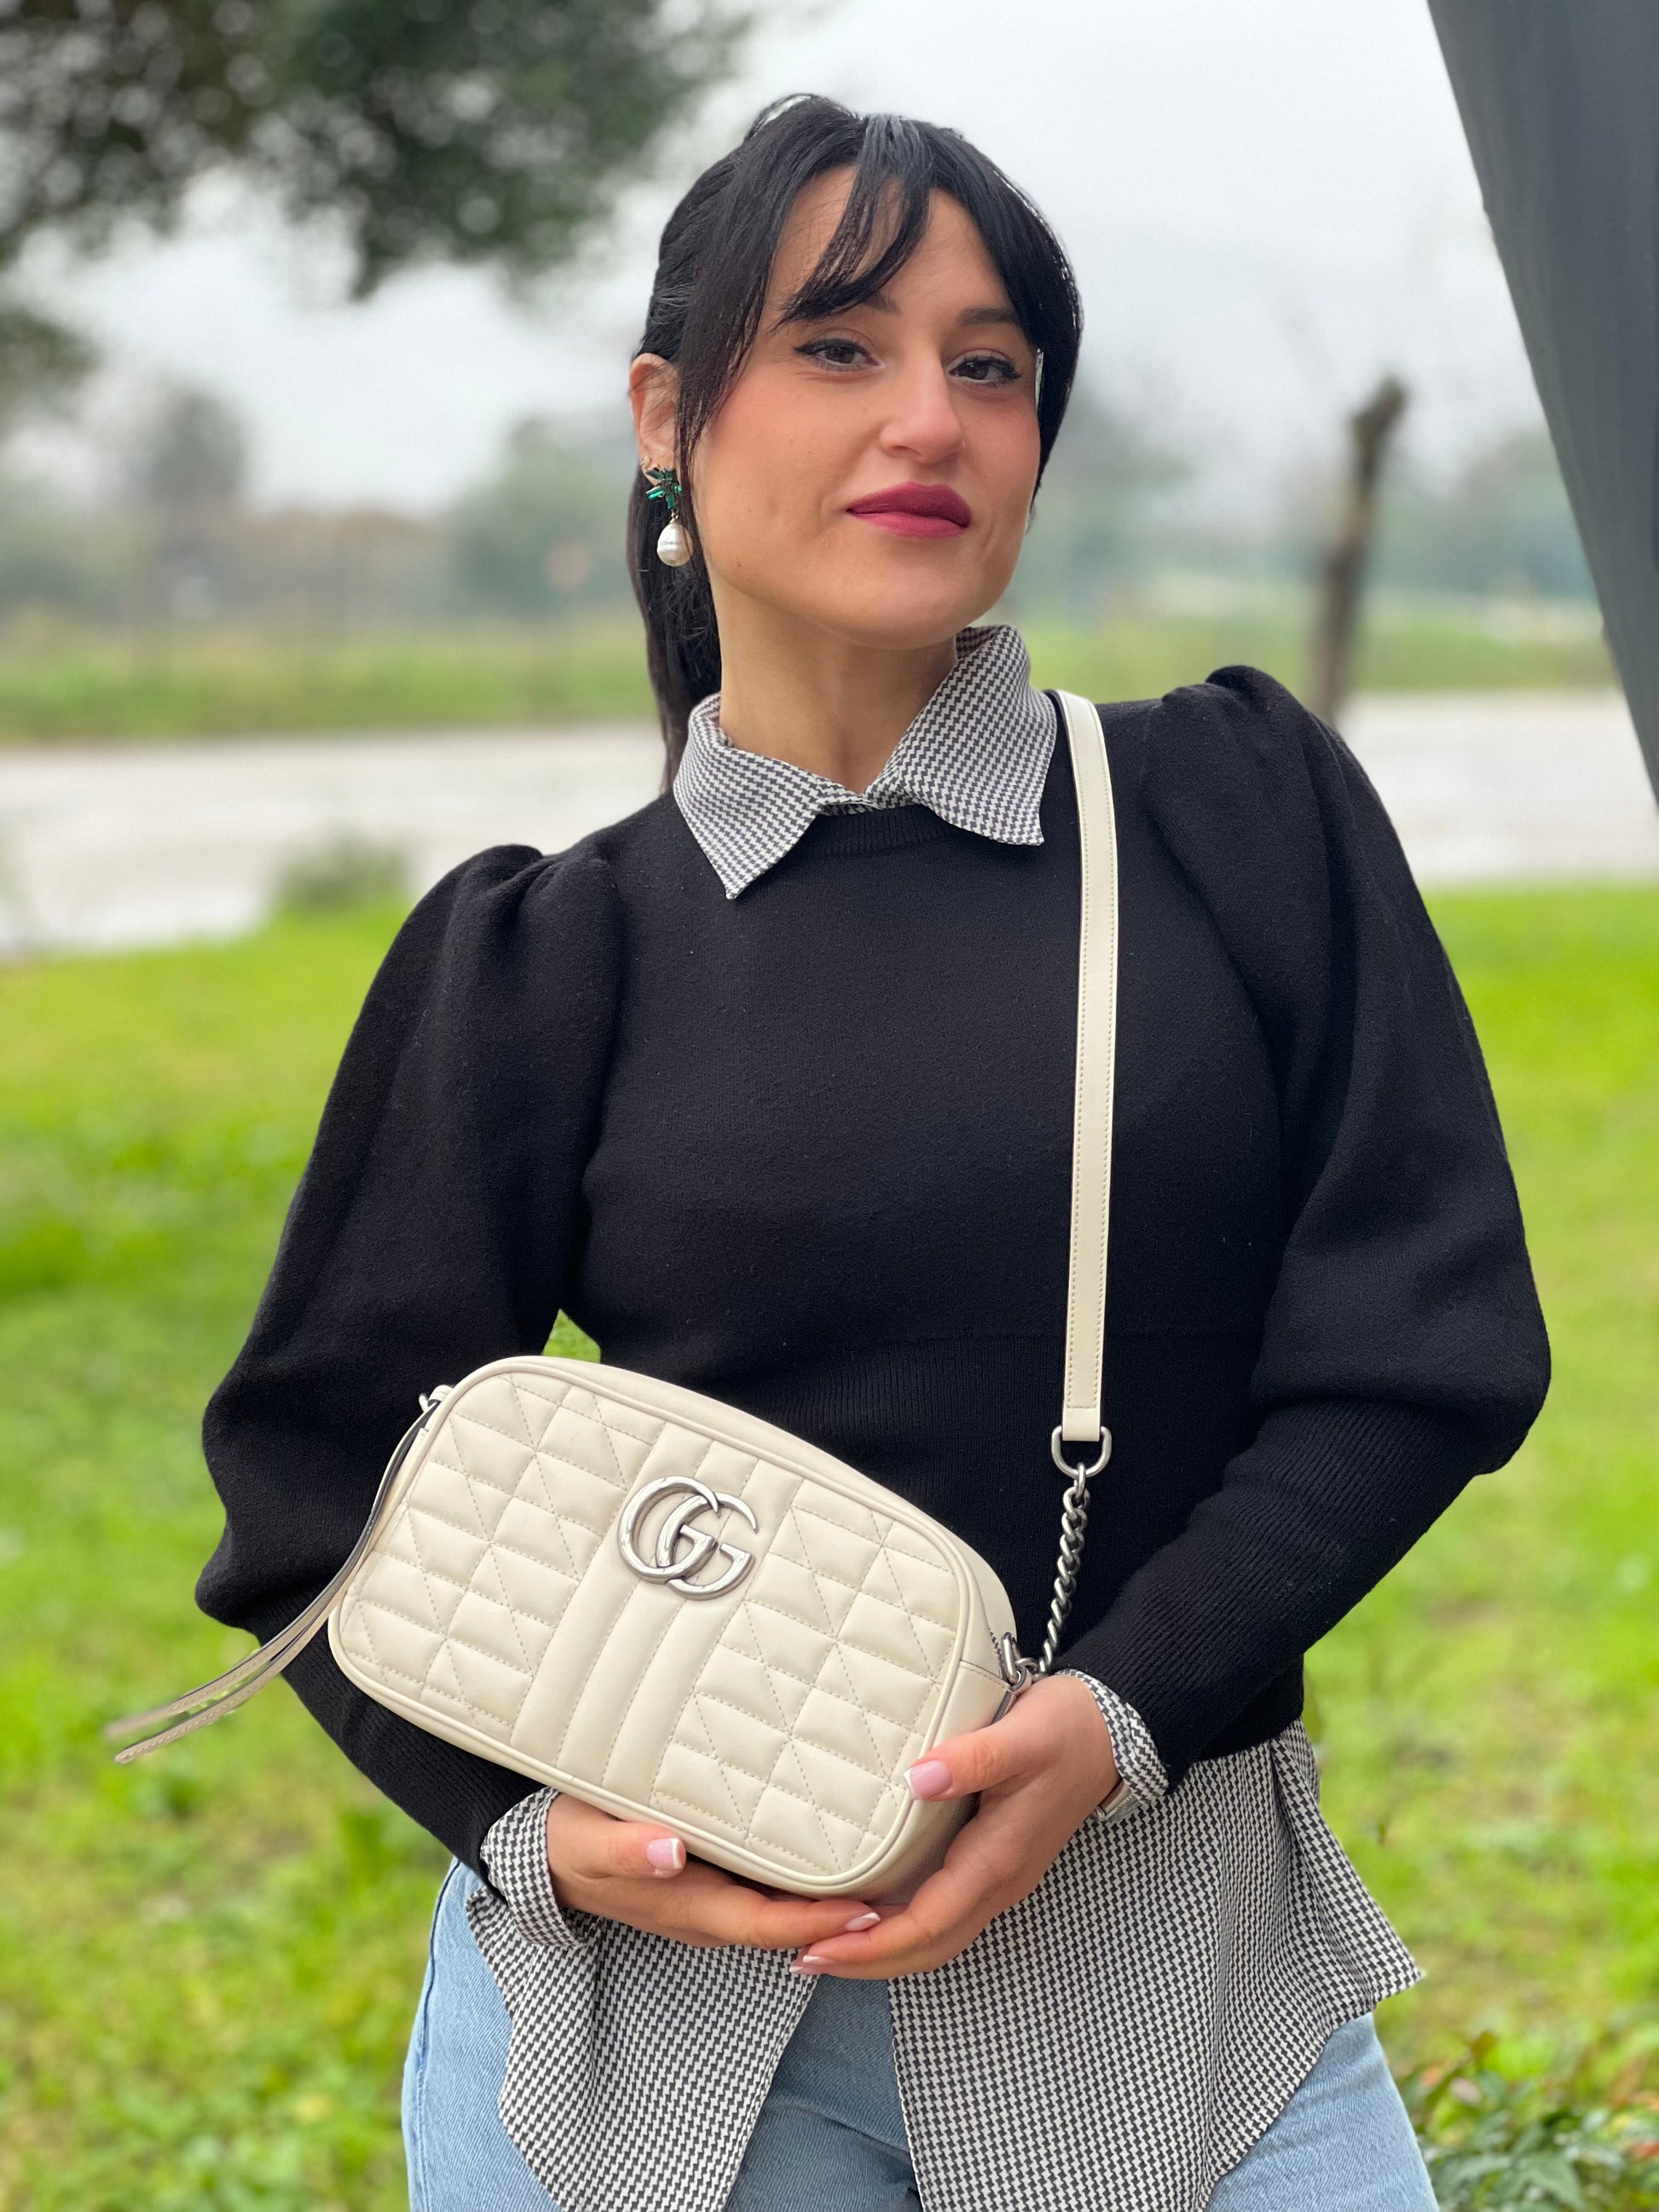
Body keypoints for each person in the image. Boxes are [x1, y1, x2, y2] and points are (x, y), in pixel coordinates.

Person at [198, 95, 1550, 2212]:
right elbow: (309, 1486)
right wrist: (538, 1836)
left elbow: (1422, 1346)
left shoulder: (1229, 815)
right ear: (667, 415)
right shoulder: (550, 949)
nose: (930, 415)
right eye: (838, 344)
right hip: (662, 2060)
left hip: (1191, 1998)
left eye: (989, 365)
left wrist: (1118, 1714)